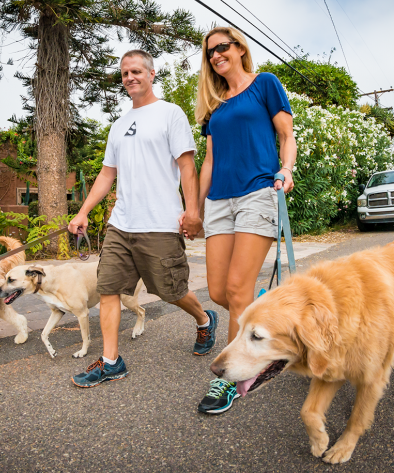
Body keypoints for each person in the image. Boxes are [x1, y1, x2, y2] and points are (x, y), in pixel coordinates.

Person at [68, 49, 218, 388]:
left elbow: (187, 166)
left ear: (151, 74)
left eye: (136, 71)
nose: (130, 77)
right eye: (125, 73)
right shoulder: (118, 126)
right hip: (121, 224)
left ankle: (204, 318)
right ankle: (111, 362)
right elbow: (107, 174)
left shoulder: (170, 113)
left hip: (160, 223)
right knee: (108, 289)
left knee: (170, 290)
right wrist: (83, 211)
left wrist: (193, 212)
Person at [193, 26, 297, 414]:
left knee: (238, 290)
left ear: (239, 48)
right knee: (220, 291)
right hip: (219, 200)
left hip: (258, 191)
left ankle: (231, 378)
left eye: (222, 47)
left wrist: (286, 169)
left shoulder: (264, 84)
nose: (216, 55)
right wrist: (195, 208)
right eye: (210, 52)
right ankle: (267, 319)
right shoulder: (214, 105)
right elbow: (209, 161)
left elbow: (287, 135)